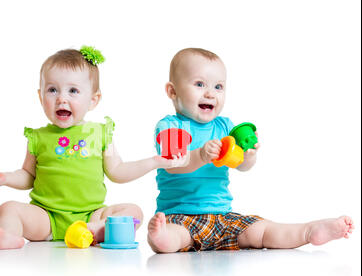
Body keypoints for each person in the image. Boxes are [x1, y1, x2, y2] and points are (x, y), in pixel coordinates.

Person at [0, 46, 182, 249]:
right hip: (46, 217)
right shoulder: (38, 137)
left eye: (73, 91)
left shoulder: (101, 134)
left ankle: (96, 229)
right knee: (7, 208)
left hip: (90, 215)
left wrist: (154, 161)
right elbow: (28, 175)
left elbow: (117, 171)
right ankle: (10, 236)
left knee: (134, 211)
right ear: (40, 97)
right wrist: (5, 178)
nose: (61, 98)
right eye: (52, 90)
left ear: (93, 100)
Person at [147, 48, 354, 253]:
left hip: (222, 217)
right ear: (172, 91)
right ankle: (161, 239)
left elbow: (242, 166)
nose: (210, 93)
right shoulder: (170, 126)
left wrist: (248, 157)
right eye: (200, 84)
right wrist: (200, 155)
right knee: (176, 235)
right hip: (181, 216)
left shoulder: (225, 127)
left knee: (261, 231)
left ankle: (308, 232)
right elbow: (172, 164)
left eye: (218, 86)